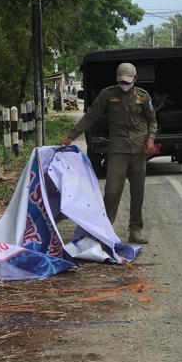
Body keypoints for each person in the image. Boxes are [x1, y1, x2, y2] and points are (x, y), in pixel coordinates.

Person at [61, 62, 157, 244]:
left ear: (135, 78)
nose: (124, 84)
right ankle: (105, 230)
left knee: (138, 193)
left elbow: (152, 120)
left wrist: (151, 139)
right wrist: (70, 136)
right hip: (118, 150)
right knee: (112, 191)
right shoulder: (108, 95)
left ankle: (135, 230)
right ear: (117, 79)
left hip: (138, 151)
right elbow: (90, 117)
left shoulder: (143, 96)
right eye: (121, 80)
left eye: (128, 80)